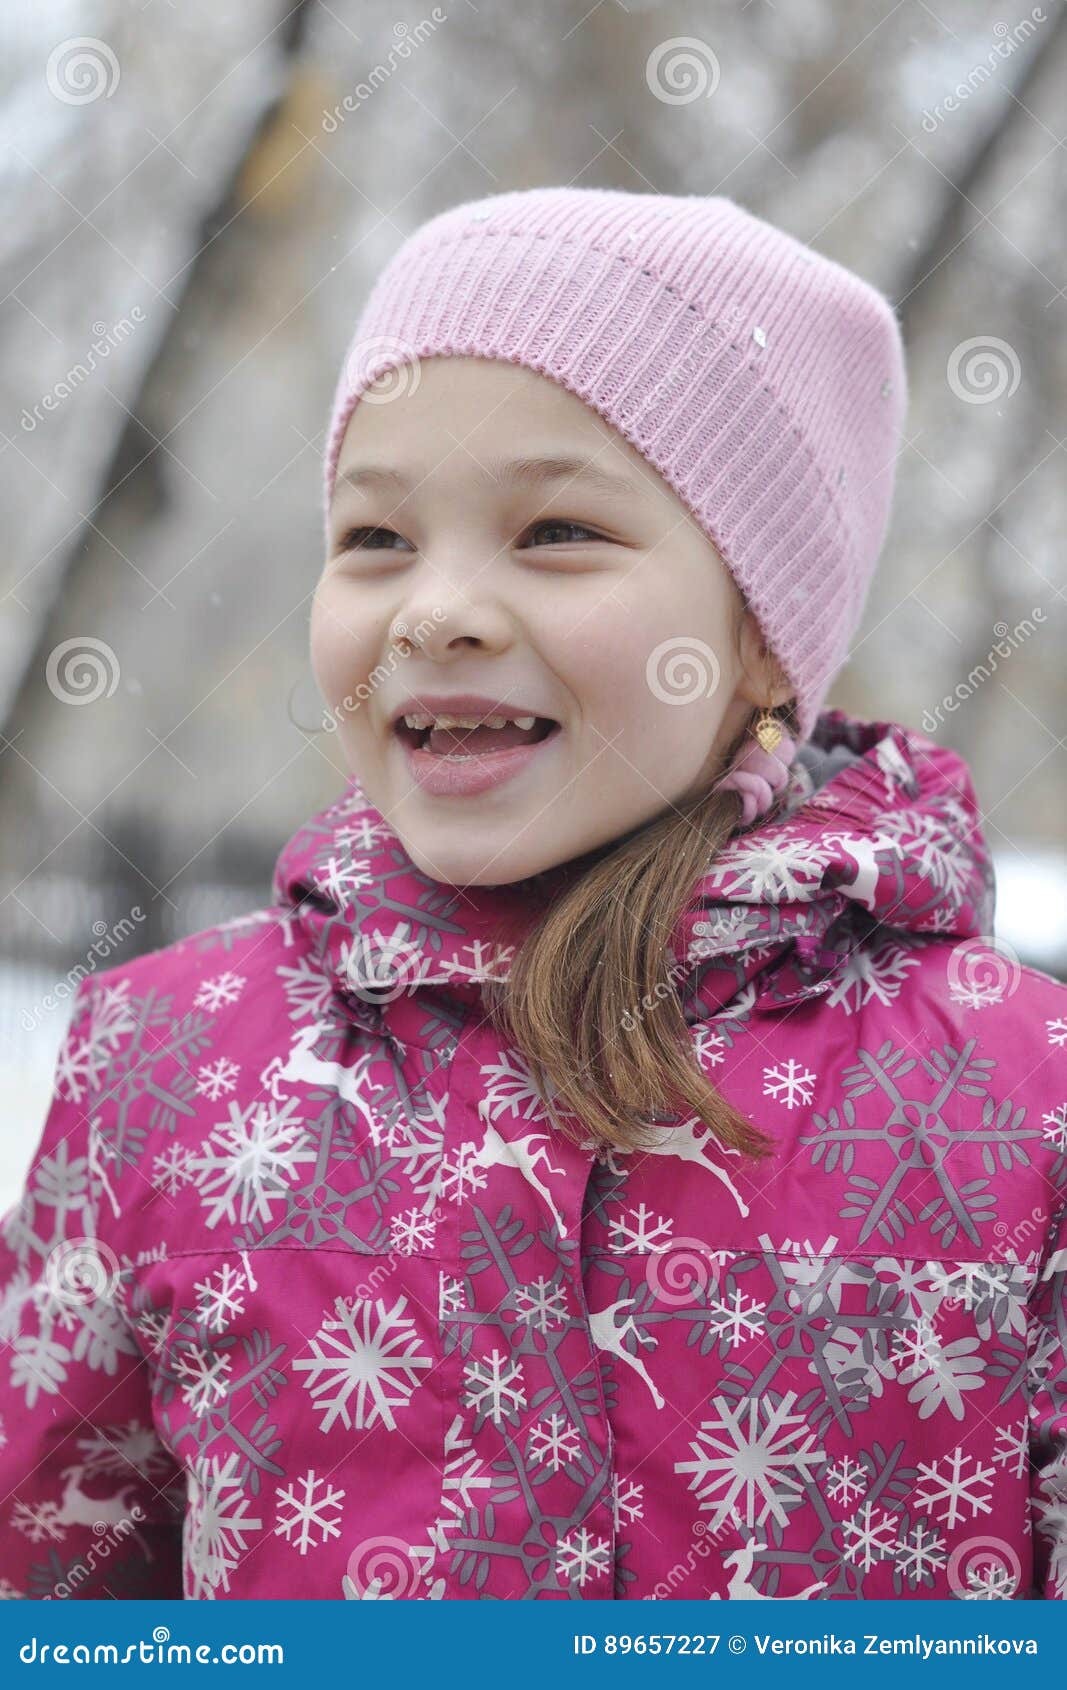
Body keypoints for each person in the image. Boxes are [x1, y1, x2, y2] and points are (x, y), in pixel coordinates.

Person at [1, 186, 1064, 1602]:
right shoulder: (163, 1068)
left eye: (556, 530)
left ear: (763, 635)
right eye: (375, 538)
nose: (435, 608)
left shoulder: (1020, 1103)